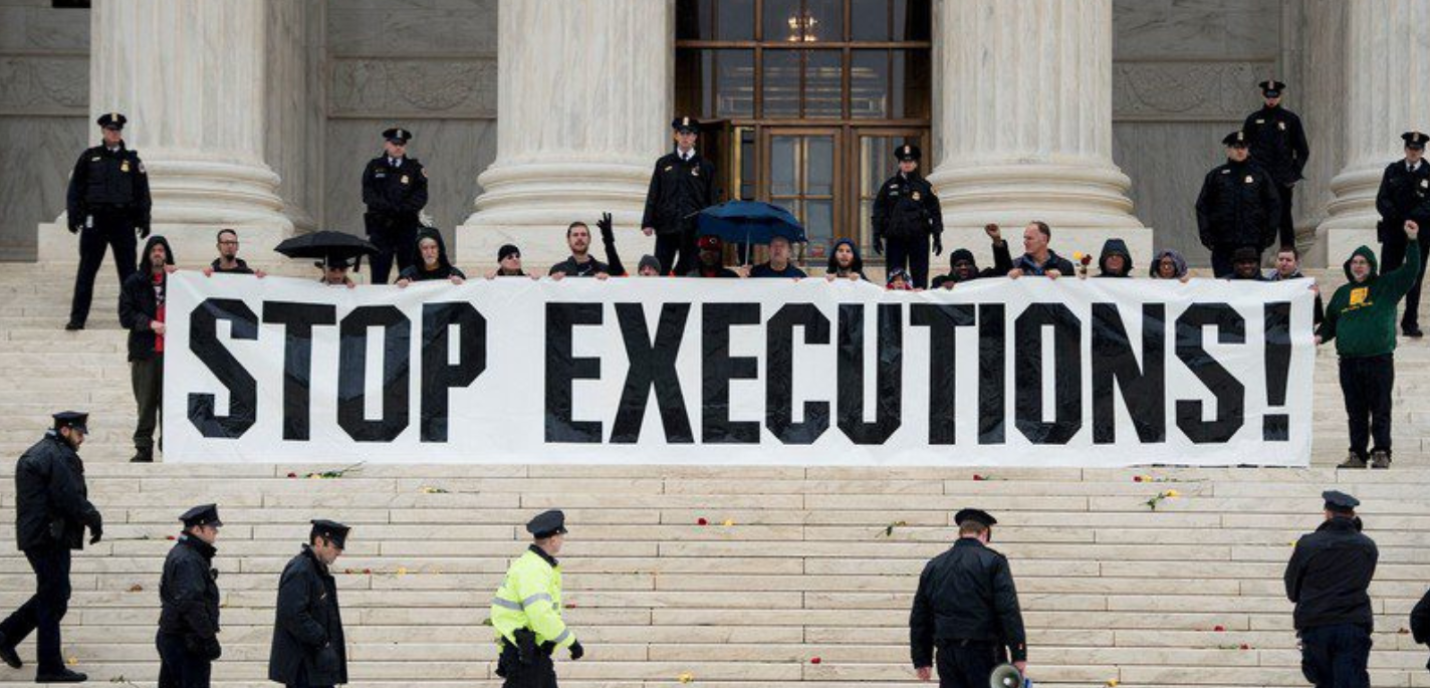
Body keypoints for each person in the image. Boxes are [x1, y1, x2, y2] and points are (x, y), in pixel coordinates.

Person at [0, 411, 102, 683]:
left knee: (55, 594)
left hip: (40, 535)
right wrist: (94, 519)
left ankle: (6, 635)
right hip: (48, 536)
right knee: (53, 599)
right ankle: (49, 666)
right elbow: (69, 495)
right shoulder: (56, 455)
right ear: (66, 430)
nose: (82, 440)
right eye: (80, 434)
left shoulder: (45, 451)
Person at [1317, 220, 1421, 470]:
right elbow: (1330, 322)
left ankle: (1382, 451)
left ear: (1371, 265)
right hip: (1349, 361)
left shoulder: (1386, 285)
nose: (1358, 265)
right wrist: (1318, 337)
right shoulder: (1342, 293)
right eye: (1354, 262)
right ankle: (1357, 454)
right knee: (1355, 411)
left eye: (1363, 262)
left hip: (1379, 359)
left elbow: (1411, 270)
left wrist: (1413, 241)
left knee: (1380, 408)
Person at [910, 508, 1027, 688]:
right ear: (985, 533)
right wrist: (1018, 654)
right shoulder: (994, 561)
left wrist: (921, 658)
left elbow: (920, 616)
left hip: (947, 653)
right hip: (984, 652)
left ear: (961, 532)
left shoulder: (935, 565)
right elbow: (1007, 610)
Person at [66, 112, 152, 331]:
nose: (114, 133)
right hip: (95, 220)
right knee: (86, 271)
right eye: (110, 129)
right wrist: (74, 215)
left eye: (117, 130)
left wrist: (144, 219)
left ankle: (131, 318)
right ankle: (77, 318)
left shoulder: (132, 161)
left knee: (129, 274)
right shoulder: (89, 157)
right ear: (103, 131)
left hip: (122, 222)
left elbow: (142, 192)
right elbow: (76, 188)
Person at [1284, 491, 1377, 688]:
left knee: (1323, 681)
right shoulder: (1367, 545)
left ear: (1328, 513)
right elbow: (1364, 580)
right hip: (1353, 623)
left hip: (1316, 623)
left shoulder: (1308, 544)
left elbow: (1292, 587)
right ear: (1352, 515)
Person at [491, 510, 583, 688]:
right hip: (525, 653)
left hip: (529, 649)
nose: (562, 540)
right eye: (562, 537)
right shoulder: (534, 569)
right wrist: (571, 642)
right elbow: (540, 614)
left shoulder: (529, 564)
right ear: (554, 539)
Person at [269, 520, 350, 688]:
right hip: (304, 666)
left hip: (316, 664)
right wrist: (322, 639)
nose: (339, 552)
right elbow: (292, 614)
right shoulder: (301, 569)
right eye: (336, 547)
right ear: (320, 542)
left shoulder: (316, 569)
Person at [118, 235, 175, 463]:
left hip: (174, 355)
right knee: (146, 403)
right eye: (154, 250)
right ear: (148, 254)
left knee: (170, 404)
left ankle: (170, 445)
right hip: (145, 352)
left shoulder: (178, 280)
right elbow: (125, 316)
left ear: (167, 254)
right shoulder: (135, 282)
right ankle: (143, 447)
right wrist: (150, 324)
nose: (158, 253)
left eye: (162, 250)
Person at [1196, 131, 1281, 277]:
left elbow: (1274, 204)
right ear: (1228, 150)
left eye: (1244, 147)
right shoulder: (1216, 176)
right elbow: (1202, 206)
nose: (1240, 150)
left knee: (1250, 286)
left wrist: (1270, 233)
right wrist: (1205, 233)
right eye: (1236, 147)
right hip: (1223, 242)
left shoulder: (1260, 175)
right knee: (1224, 284)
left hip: (1251, 241)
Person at [642, 116, 717, 276]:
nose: (685, 137)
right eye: (681, 133)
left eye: (689, 133)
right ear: (675, 136)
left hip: (693, 229)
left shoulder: (705, 166)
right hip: (666, 226)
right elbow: (654, 193)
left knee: (690, 271)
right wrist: (648, 221)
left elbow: (711, 198)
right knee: (661, 268)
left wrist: (711, 226)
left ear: (695, 137)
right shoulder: (663, 163)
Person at [157, 504, 223, 688]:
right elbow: (191, 603)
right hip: (186, 641)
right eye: (212, 528)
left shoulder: (188, 554)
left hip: (178, 637)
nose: (215, 532)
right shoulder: (188, 559)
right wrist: (208, 638)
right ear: (197, 529)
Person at [1374, 131, 1430, 337]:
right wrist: (1400, 219)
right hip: (1393, 233)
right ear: (1405, 149)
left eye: (1417, 149)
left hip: (1419, 235)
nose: (1413, 152)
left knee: (1415, 276)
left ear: (1423, 151)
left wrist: (1412, 218)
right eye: (1410, 148)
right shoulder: (1393, 170)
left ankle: (1410, 322)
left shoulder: (1429, 172)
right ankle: (1385, 320)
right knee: (1388, 276)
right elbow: (1382, 200)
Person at [1243, 79, 1310, 249]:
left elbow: (1302, 150)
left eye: (1275, 96)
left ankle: (1288, 253)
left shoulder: (1290, 119)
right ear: (1263, 95)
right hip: (1259, 178)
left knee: (1284, 217)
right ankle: (1253, 256)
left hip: (1282, 179)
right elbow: (1244, 149)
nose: (1271, 99)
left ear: (1280, 96)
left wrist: (1294, 174)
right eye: (1268, 95)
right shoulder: (1253, 120)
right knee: (1256, 216)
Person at [362, 127, 428, 284]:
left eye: (402, 144)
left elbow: (420, 197)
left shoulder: (414, 168)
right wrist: (389, 209)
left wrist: (400, 210)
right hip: (380, 227)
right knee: (379, 272)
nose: (398, 147)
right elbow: (368, 195)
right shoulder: (374, 166)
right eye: (394, 143)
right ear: (386, 145)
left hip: (406, 227)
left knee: (409, 273)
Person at [872, 144, 943, 288]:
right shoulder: (889, 186)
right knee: (894, 278)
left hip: (919, 237)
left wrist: (937, 236)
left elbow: (935, 212)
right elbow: (879, 210)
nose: (907, 164)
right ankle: (894, 310)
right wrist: (876, 234)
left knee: (920, 278)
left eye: (910, 161)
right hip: (895, 238)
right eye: (904, 161)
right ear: (899, 163)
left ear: (916, 163)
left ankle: (918, 310)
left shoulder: (925, 186)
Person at [931, 224, 1013, 289]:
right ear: (952, 269)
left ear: (973, 266)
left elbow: (1005, 271)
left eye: (967, 264)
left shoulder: (985, 278)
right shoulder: (942, 283)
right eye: (958, 265)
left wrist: (997, 240)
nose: (963, 267)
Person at [1269, 245, 1325, 325]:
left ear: (1296, 263)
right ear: (1276, 261)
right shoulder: (1266, 282)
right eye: (1281, 259)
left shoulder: (1306, 286)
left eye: (1288, 260)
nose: (1284, 263)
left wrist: (1315, 299)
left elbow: (1317, 318)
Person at [396, 228, 465, 286]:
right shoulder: (408, 274)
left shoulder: (453, 273)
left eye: (433, 247)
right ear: (419, 251)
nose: (429, 252)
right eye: (425, 248)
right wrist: (400, 285)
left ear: (439, 250)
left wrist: (459, 283)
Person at [1007, 221, 1074, 278]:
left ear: (1044, 239)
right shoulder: (1014, 265)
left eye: (1030, 238)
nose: (1025, 242)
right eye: (1025, 238)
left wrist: (1061, 279)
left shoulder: (1065, 266)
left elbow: (1074, 290)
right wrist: (1008, 278)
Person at [201, 229, 266, 278]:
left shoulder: (249, 275)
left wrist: (262, 281)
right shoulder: (210, 274)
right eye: (226, 243)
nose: (230, 246)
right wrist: (202, 278)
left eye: (233, 243)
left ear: (237, 246)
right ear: (218, 246)